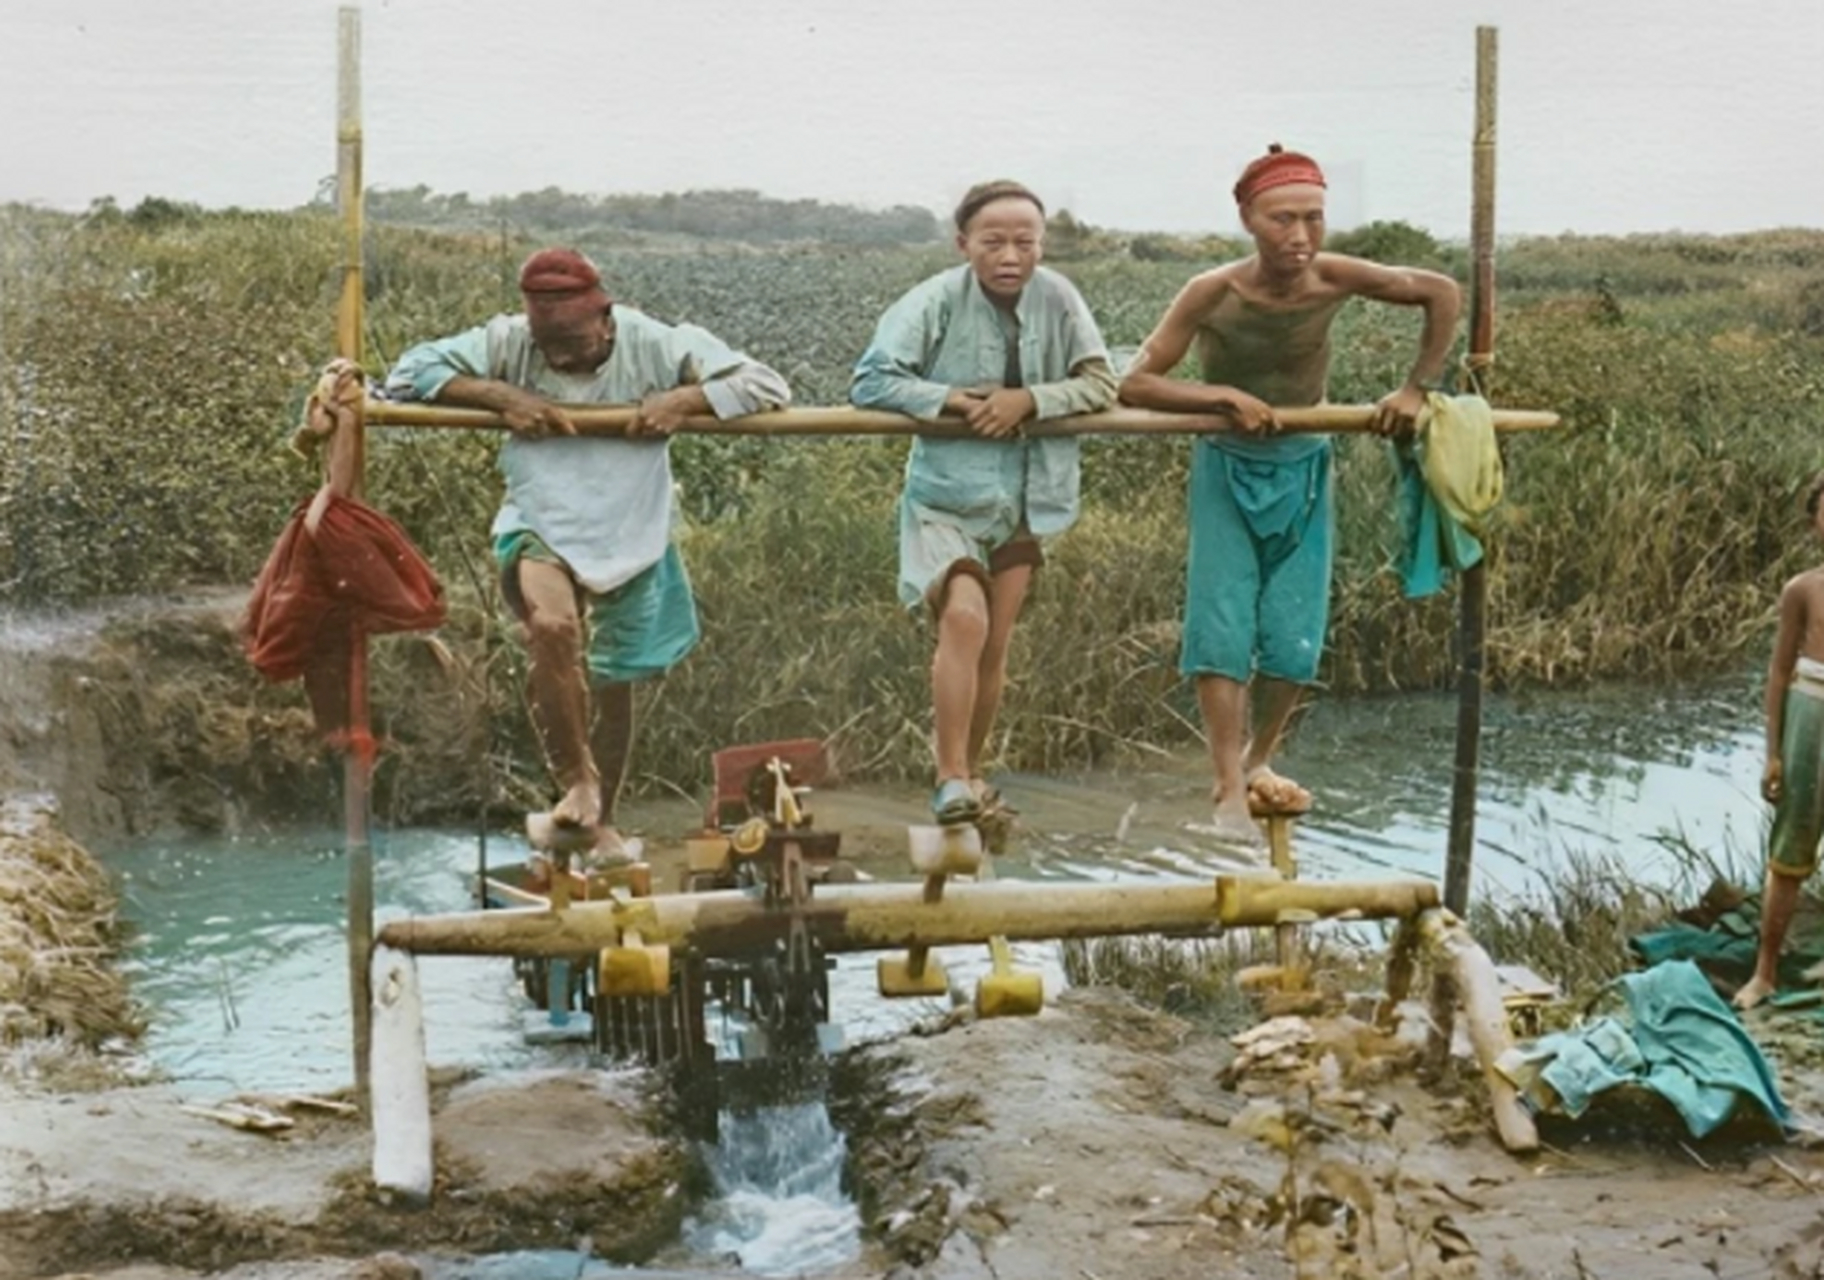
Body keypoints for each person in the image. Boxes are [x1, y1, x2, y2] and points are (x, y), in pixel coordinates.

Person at [386, 248, 790, 859]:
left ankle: (603, 818)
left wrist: (684, 402)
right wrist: (499, 395)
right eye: (548, 344)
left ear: (606, 319)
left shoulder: (656, 343)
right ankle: (576, 782)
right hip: (541, 516)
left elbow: (764, 383)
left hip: (630, 521)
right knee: (552, 628)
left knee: (613, 679)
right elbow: (409, 372)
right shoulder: (507, 341)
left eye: (573, 340)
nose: (561, 356)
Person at [1119, 145, 1461, 844]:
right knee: (1221, 624)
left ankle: (1259, 759)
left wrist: (1416, 387)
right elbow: (1137, 382)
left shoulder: (1333, 277)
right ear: (1248, 218)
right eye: (1281, 220)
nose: (1299, 237)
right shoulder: (1213, 291)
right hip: (1228, 462)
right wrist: (1218, 395)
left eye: (1313, 218)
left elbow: (1441, 292)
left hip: (1305, 460)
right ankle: (1223, 786)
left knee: (1294, 630)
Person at [851, 180, 1117, 825]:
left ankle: (971, 775)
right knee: (963, 619)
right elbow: (870, 378)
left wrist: (1029, 401)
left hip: (1030, 495)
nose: (1009, 256)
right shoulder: (935, 299)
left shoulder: (1059, 298)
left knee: (995, 642)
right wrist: (950, 400)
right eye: (993, 242)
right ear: (963, 243)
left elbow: (1100, 381)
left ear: (1041, 245)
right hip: (946, 497)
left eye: (1025, 242)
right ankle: (948, 778)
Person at [1735, 473, 1824, 1010]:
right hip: (1810, 714)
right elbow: (1778, 673)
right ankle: (1764, 970)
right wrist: (1773, 753)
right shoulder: (1803, 589)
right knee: (1790, 847)